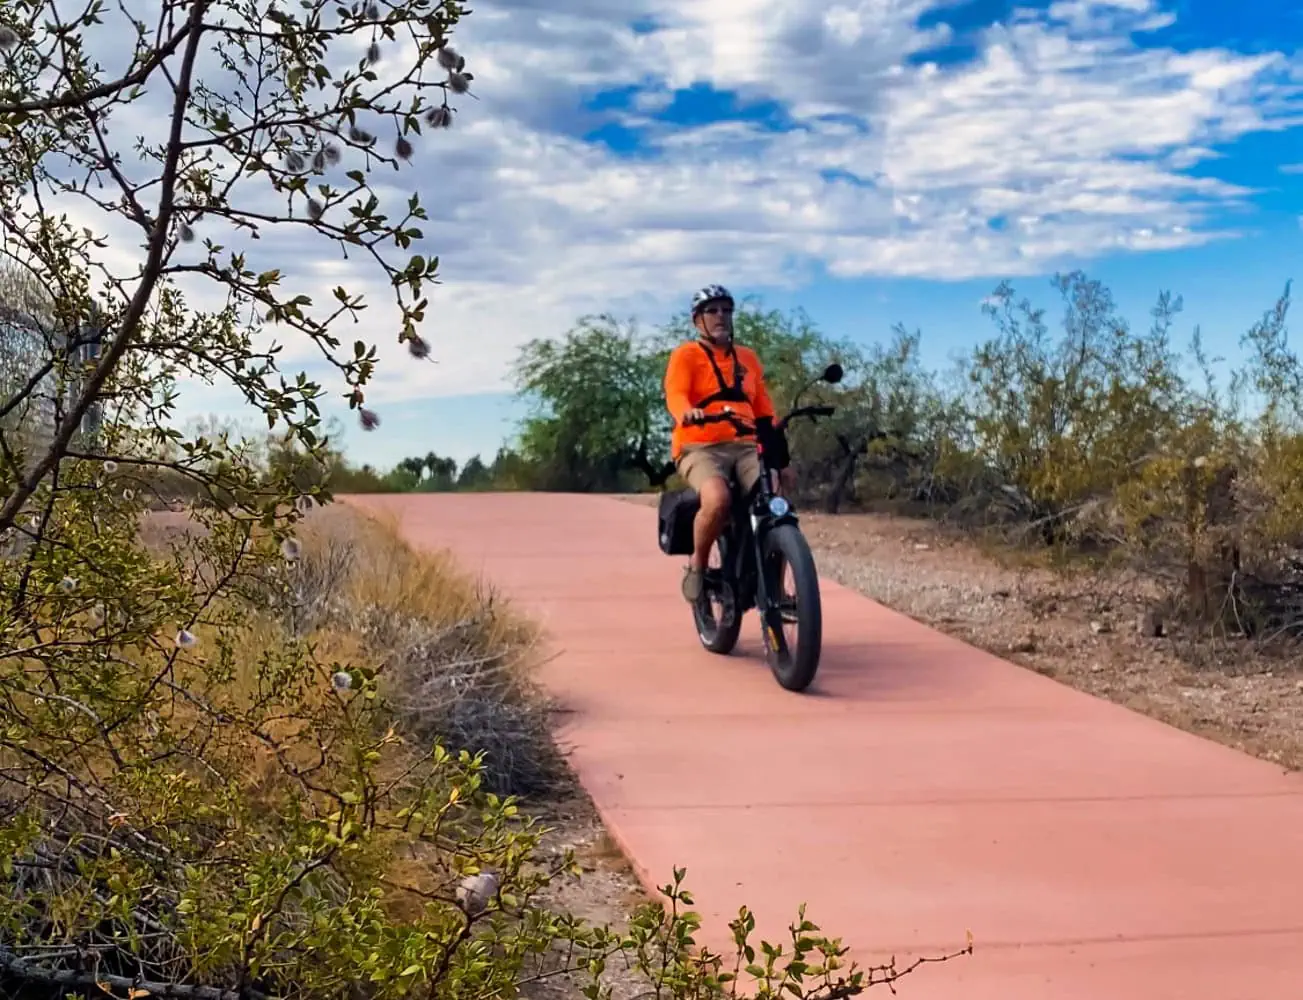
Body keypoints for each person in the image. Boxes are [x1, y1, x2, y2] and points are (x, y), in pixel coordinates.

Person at [663, 284, 794, 603]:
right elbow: (676, 394)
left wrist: (781, 457)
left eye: (726, 309)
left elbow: (763, 409)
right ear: (698, 321)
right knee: (718, 499)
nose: (721, 316)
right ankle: (698, 564)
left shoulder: (748, 358)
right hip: (699, 446)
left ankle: (775, 586)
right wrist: (687, 412)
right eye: (712, 310)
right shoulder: (686, 355)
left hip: (745, 445)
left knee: (775, 497)